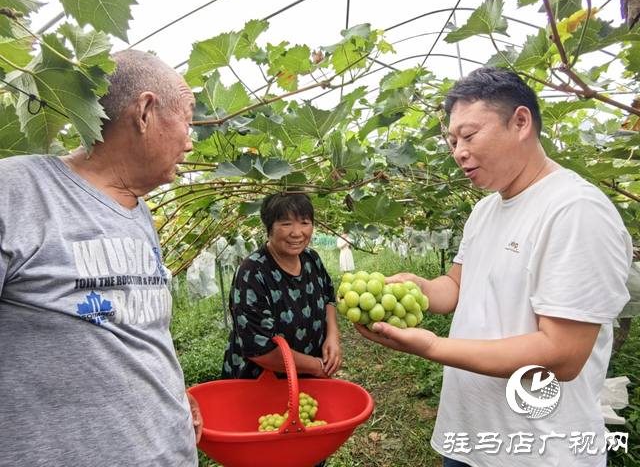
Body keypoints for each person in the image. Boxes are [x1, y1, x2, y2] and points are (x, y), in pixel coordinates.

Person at [354, 67, 633, 467]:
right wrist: (420, 287)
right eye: (452, 141)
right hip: (468, 437)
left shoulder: (575, 210)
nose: (458, 152)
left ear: (521, 122)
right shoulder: (486, 209)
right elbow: (457, 285)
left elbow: (563, 353)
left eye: (469, 136)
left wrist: (432, 346)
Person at [0, 50, 202, 466]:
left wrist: (171, 392)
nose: (190, 138)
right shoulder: (14, 193)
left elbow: (137, 326)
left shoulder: (137, 210)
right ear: (144, 112)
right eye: (188, 118)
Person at [222, 192, 342, 381]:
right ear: (268, 228)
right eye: (286, 224)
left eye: (304, 222)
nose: (297, 232)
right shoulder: (252, 273)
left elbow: (328, 298)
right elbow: (259, 350)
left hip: (308, 374)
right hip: (264, 382)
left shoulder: (311, 259)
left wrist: (333, 337)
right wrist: (317, 367)